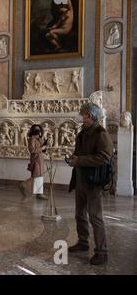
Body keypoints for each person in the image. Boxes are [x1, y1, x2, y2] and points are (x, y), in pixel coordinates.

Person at [68, 103, 114, 266]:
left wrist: (79, 160)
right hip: (81, 178)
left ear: (89, 115)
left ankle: (102, 252)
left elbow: (105, 156)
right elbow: (80, 153)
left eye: (82, 114)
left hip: (93, 181)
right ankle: (83, 242)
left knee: (95, 216)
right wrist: (74, 157)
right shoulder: (83, 133)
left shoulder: (100, 133)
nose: (80, 116)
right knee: (79, 213)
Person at [20, 124, 48, 200]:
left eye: (39, 130)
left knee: (40, 176)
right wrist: (41, 148)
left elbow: (43, 149)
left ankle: (39, 194)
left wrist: (44, 145)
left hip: (40, 159)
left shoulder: (39, 139)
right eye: (36, 130)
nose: (38, 132)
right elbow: (32, 150)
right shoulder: (31, 139)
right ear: (33, 131)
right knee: (36, 176)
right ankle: (23, 185)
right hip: (35, 160)